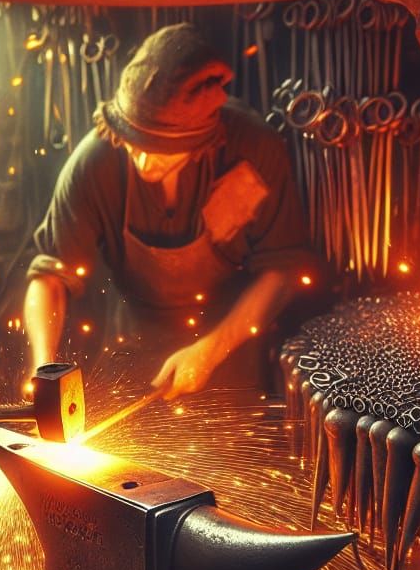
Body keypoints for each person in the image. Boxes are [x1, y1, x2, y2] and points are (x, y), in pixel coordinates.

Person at [24, 23, 321, 397]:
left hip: (230, 345)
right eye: (134, 144)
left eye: (160, 150)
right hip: (130, 346)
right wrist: (43, 369)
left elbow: (285, 271)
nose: (144, 161)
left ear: (202, 140)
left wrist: (210, 351)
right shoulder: (96, 161)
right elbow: (50, 274)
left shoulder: (253, 148)